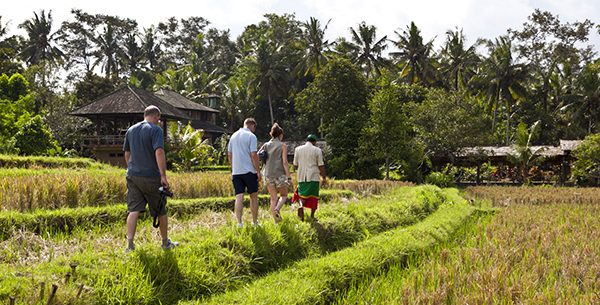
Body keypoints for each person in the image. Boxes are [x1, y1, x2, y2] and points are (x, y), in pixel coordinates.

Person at [123, 105, 178, 252]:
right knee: (160, 210)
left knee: (133, 210)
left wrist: (133, 168)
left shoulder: (131, 130)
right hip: (151, 177)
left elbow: (127, 154)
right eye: (159, 119)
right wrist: (163, 176)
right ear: (156, 116)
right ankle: (165, 244)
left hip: (133, 176)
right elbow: (159, 152)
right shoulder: (155, 130)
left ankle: (130, 246)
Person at [228, 118, 262, 228]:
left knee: (239, 197)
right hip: (249, 171)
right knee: (253, 196)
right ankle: (254, 222)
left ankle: (239, 223)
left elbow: (230, 154)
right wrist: (258, 171)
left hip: (237, 172)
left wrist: (233, 168)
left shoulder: (233, 136)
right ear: (252, 126)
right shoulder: (251, 137)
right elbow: (254, 155)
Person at [259, 123, 293, 224]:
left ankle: (276, 221)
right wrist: (289, 178)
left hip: (268, 174)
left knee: (273, 198)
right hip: (279, 174)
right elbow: (285, 163)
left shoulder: (265, 145)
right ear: (280, 135)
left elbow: (258, 155)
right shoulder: (282, 146)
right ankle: (277, 209)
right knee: (284, 195)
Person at [292, 134, 327, 221]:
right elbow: (321, 165)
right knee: (314, 196)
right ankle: (312, 216)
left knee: (301, 194)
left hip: (302, 177)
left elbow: (295, 164)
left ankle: (300, 206)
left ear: (306, 140)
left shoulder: (298, 149)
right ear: (314, 142)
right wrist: (324, 178)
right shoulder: (317, 150)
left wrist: (301, 170)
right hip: (313, 176)